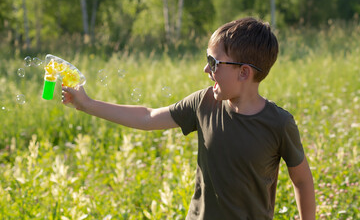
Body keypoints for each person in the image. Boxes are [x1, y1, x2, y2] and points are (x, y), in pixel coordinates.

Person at [62, 17, 316, 219]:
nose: (206, 69)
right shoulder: (202, 103)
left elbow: (302, 180)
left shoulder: (279, 124)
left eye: (214, 62)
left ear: (244, 72)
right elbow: (148, 117)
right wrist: (87, 104)